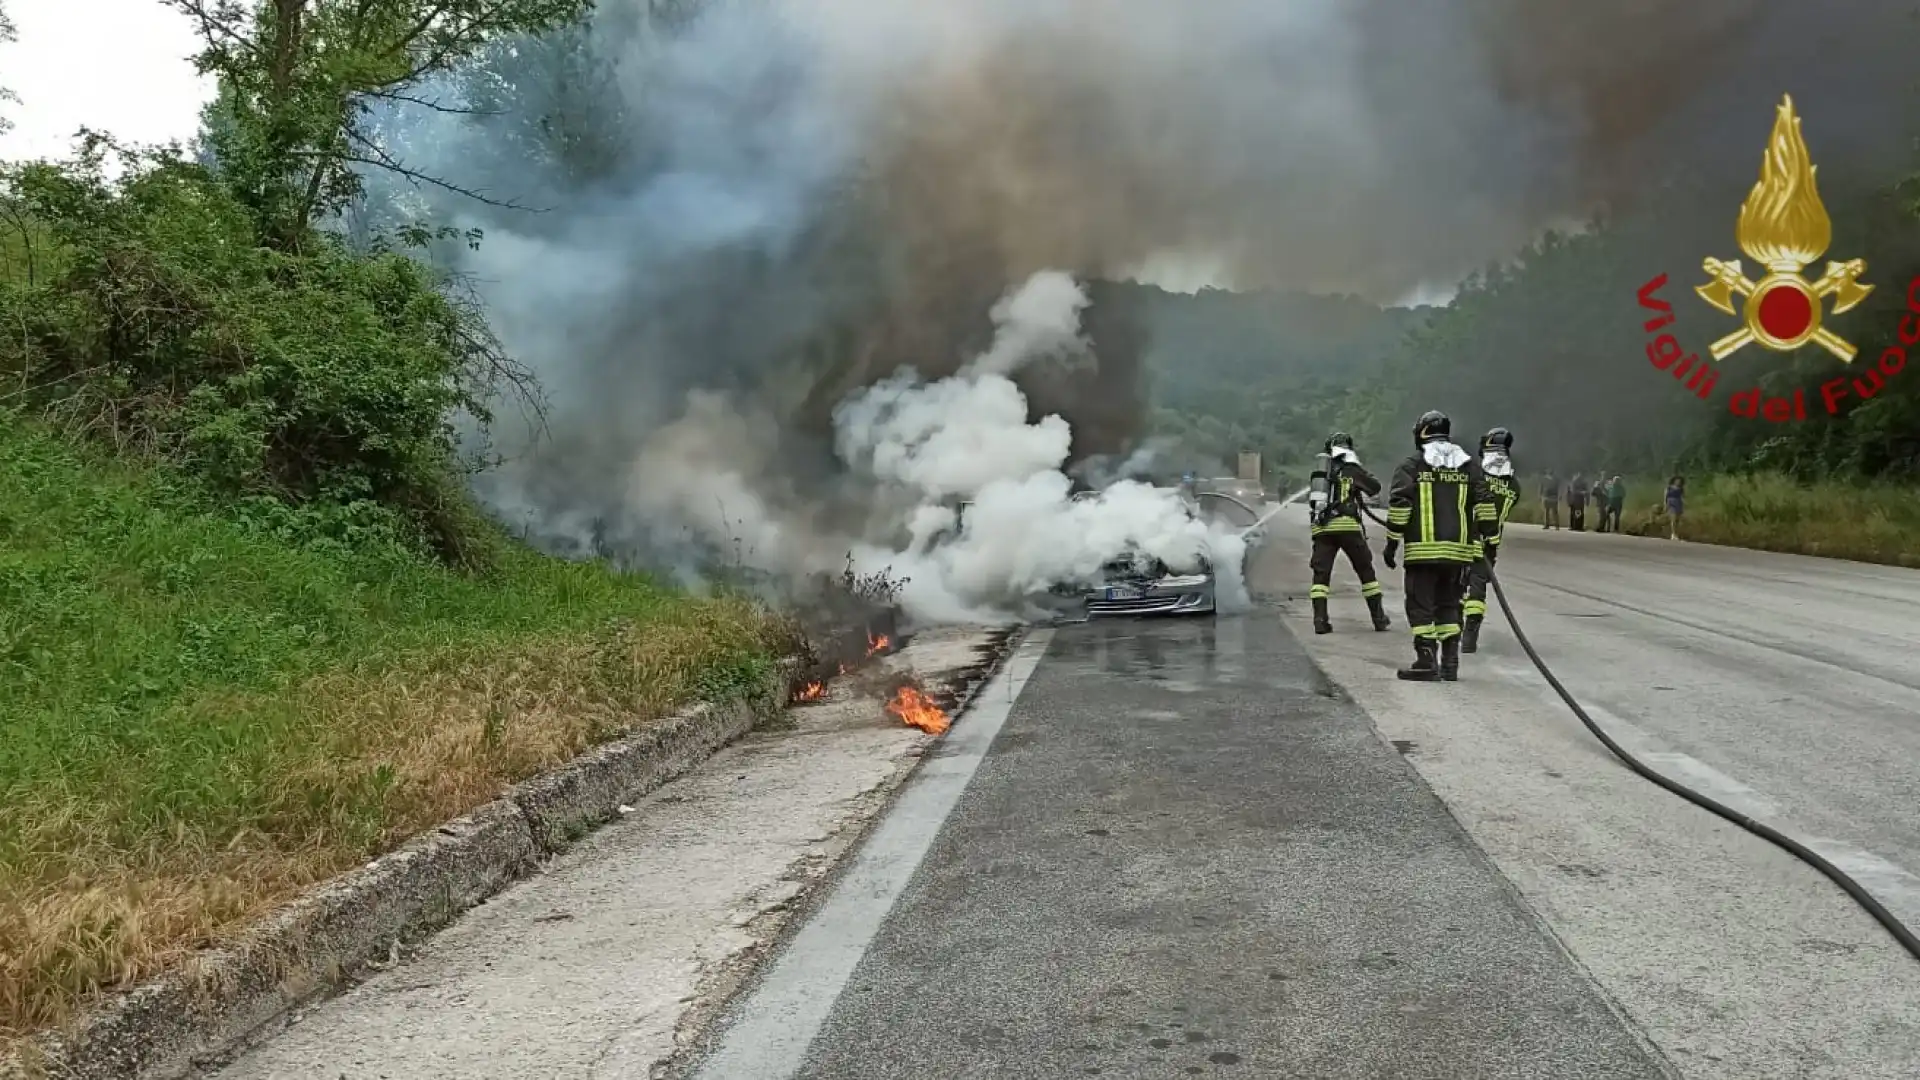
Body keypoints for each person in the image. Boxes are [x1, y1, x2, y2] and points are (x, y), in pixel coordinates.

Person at [1383, 410, 1496, 682]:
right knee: (1449, 605)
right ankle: (1450, 663)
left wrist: (1391, 542)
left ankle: (1425, 661)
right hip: (1458, 554)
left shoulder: (1412, 465)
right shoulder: (1469, 466)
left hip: (1423, 554)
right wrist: (1489, 540)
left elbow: (1400, 507)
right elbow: (1486, 506)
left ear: (1421, 432)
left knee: (1421, 606)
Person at [1307, 432, 1393, 634]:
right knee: (1366, 572)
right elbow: (1375, 488)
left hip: (1322, 529)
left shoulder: (1321, 473)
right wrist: (1361, 471)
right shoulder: (1352, 469)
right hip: (1347, 527)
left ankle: (1320, 621)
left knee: (1321, 577)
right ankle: (1379, 619)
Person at [1462, 427, 1519, 654]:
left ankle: (1451, 633)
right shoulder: (1514, 486)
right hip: (1489, 546)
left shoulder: (1475, 475)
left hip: (1464, 540)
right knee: (1477, 592)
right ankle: (1470, 638)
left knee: (1454, 587)